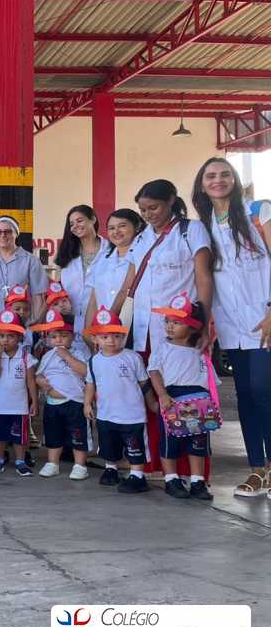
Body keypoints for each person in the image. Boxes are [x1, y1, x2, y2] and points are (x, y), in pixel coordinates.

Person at [113, 179, 213, 475]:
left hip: (180, 334)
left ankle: (192, 473)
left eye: (153, 208)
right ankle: (154, 465)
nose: (148, 214)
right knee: (152, 399)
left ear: (171, 201)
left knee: (186, 400)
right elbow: (129, 283)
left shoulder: (191, 230)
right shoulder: (142, 237)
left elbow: (204, 276)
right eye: (143, 210)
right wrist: (112, 318)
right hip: (145, 331)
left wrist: (204, 322)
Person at [191, 157, 271, 499]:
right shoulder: (204, 226)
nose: (218, 180)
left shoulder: (258, 211)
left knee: (263, 390)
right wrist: (206, 324)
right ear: (202, 184)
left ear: (235, 179)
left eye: (225, 174)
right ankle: (257, 470)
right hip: (231, 325)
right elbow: (205, 279)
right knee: (246, 396)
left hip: (264, 320)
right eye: (210, 176)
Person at [147, 296, 214, 501]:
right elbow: (154, 372)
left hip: (199, 402)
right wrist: (162, 395)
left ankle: (197, 481)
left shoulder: (200, 351)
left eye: (176, 322)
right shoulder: (162, 349)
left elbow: (210, 380)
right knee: (170, 442)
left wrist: (211, 402)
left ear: (192, 327)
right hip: (172, 400)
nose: (169, 326)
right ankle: (171, 479)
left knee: (198, 443)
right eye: (167, 321)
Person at [83, 308, 152, 494]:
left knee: (135, 447)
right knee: (108, 445)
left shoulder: (132, 357)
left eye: (116, 336)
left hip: (132, 415)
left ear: (123, 336)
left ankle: (137, 476)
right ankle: (111, 469)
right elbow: (90, 384)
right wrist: (87, 403)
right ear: (95, 339)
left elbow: (144, 383)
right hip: (106, 414)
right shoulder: (94, 361)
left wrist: (152, 402)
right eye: (104, 337)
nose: (111, 341)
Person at [30, 310, 90, 480]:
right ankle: (52, 463)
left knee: (78, 434)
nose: (59, 340)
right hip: (53, 402)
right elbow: (38, 375)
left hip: (75, 402)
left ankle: (80, 465)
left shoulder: (78, 354)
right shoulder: (48, 356)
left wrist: (68, 357)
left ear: (72, 336)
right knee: (53, 433)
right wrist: (42, 383)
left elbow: (86, 372)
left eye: (63, 336)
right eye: (54, 337)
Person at [0, 310, 38, 476]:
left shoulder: (26, 356)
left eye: (10, 336)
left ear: (20, 337)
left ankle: (20, 461)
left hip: (19, 405)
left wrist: (34, 401)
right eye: (1, 336)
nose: (5, 340)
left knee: (19, 436)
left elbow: (31, 381)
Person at [83, 209, 144, 340]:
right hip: (102, 333)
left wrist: (108, 325)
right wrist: (88, 332)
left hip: (131, 330)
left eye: (122, 226)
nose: (116, 231)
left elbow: (126, 292)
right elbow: (93, 300)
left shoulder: (142, 257)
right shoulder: (102, 258)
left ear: (137, 227)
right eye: (111, 228)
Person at [55, 206, 105, 350]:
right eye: (71, 224)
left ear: (93, 219)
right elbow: (58, 287)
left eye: (80, 221)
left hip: (101, 323)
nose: (76, 226)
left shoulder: (110, 251)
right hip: (69, 325)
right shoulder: (66, 251)